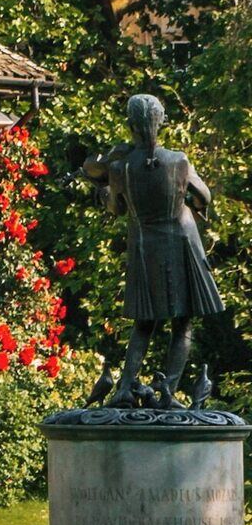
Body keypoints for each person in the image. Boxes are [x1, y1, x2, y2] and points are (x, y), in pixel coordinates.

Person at [89, 93, 223, 409]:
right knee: (183, 322)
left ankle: (124, 388)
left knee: (144, 322)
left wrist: (104, 188)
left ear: (130, 124)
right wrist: (192, 204)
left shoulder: (121, 166)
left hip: (145, 244)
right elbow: (203, 195)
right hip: (182, 241)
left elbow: (117, 208)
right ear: (160, 121)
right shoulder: (178, 160)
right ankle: (169, 392)